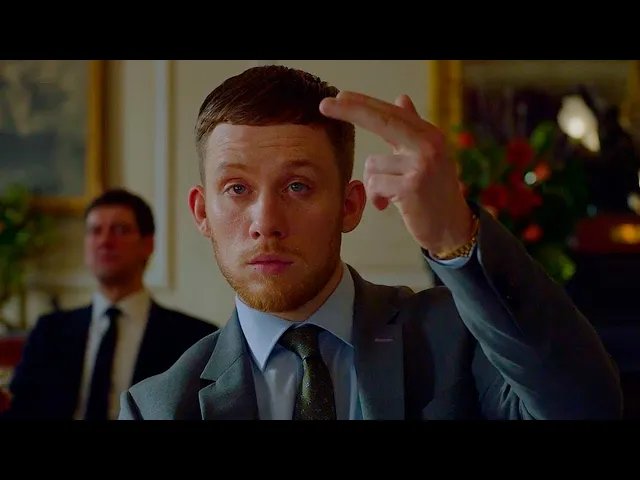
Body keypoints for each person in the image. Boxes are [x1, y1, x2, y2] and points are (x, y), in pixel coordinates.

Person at [119, 66, 622, 420]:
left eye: (298, 186)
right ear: (202, 212)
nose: (265, 222)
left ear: (351, 205)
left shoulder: (455, 336)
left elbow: (586, 409)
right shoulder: (156, 407)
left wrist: (455, 234)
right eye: (237, 189)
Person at [2, 189, 218, 420]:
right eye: (95, 231)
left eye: (120, 230)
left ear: (148, 244)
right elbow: (20, 411)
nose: (104, 241)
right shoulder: (50, 331)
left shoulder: (195, 338)